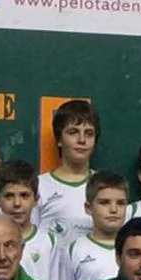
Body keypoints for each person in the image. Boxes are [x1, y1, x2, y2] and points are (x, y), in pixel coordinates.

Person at [0, 160, 61, 280]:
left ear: (36, 199)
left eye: (24, 195)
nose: (17, 203)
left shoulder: (49, 241)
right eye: (9, 196)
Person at [59, 171, 130, 280]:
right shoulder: (74, 249)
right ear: (88, 207)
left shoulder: (136, 249)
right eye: (104, 202)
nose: (113, 209)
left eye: (120, 203)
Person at [36, 99, 98, 243]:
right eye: (73, 132)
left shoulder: (107, 187)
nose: (82, 140)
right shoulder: (39, 186)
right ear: (59, 139)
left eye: (89, 133)